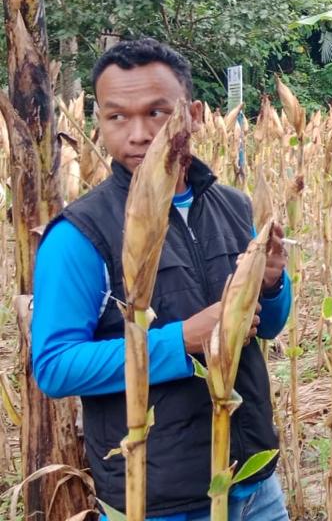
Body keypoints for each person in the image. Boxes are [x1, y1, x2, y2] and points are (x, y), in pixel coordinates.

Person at [30, 38, 293, 521]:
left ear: (193, 114)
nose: (139, 134)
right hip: (156, 499)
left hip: (254, 483)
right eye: (117, 116)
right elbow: (55, 366)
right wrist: (183, 340)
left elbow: (268, 326)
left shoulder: (232, 207)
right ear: (99, 122)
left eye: (157, 113)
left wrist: (272, 284)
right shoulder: (79, 234)